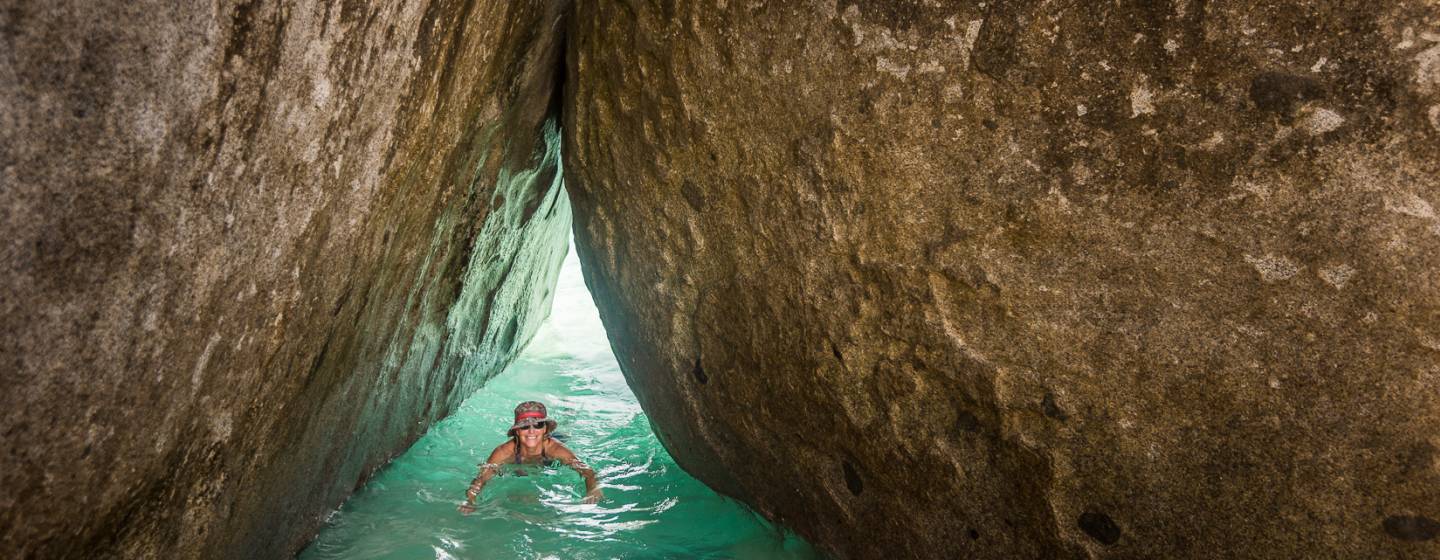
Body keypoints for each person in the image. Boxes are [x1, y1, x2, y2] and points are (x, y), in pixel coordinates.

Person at [458, 401, 602, 513]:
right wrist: (470, 500)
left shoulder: (556, 449)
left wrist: (592, 490)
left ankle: (569, 414)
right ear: (517, 431)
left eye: (538, 425)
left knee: (565, 432)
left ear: (545, 428)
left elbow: (587, 472)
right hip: (522, 464)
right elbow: (481, 479)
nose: (531, 431)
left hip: (554, 445)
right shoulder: (504, 452)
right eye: (525, 426)